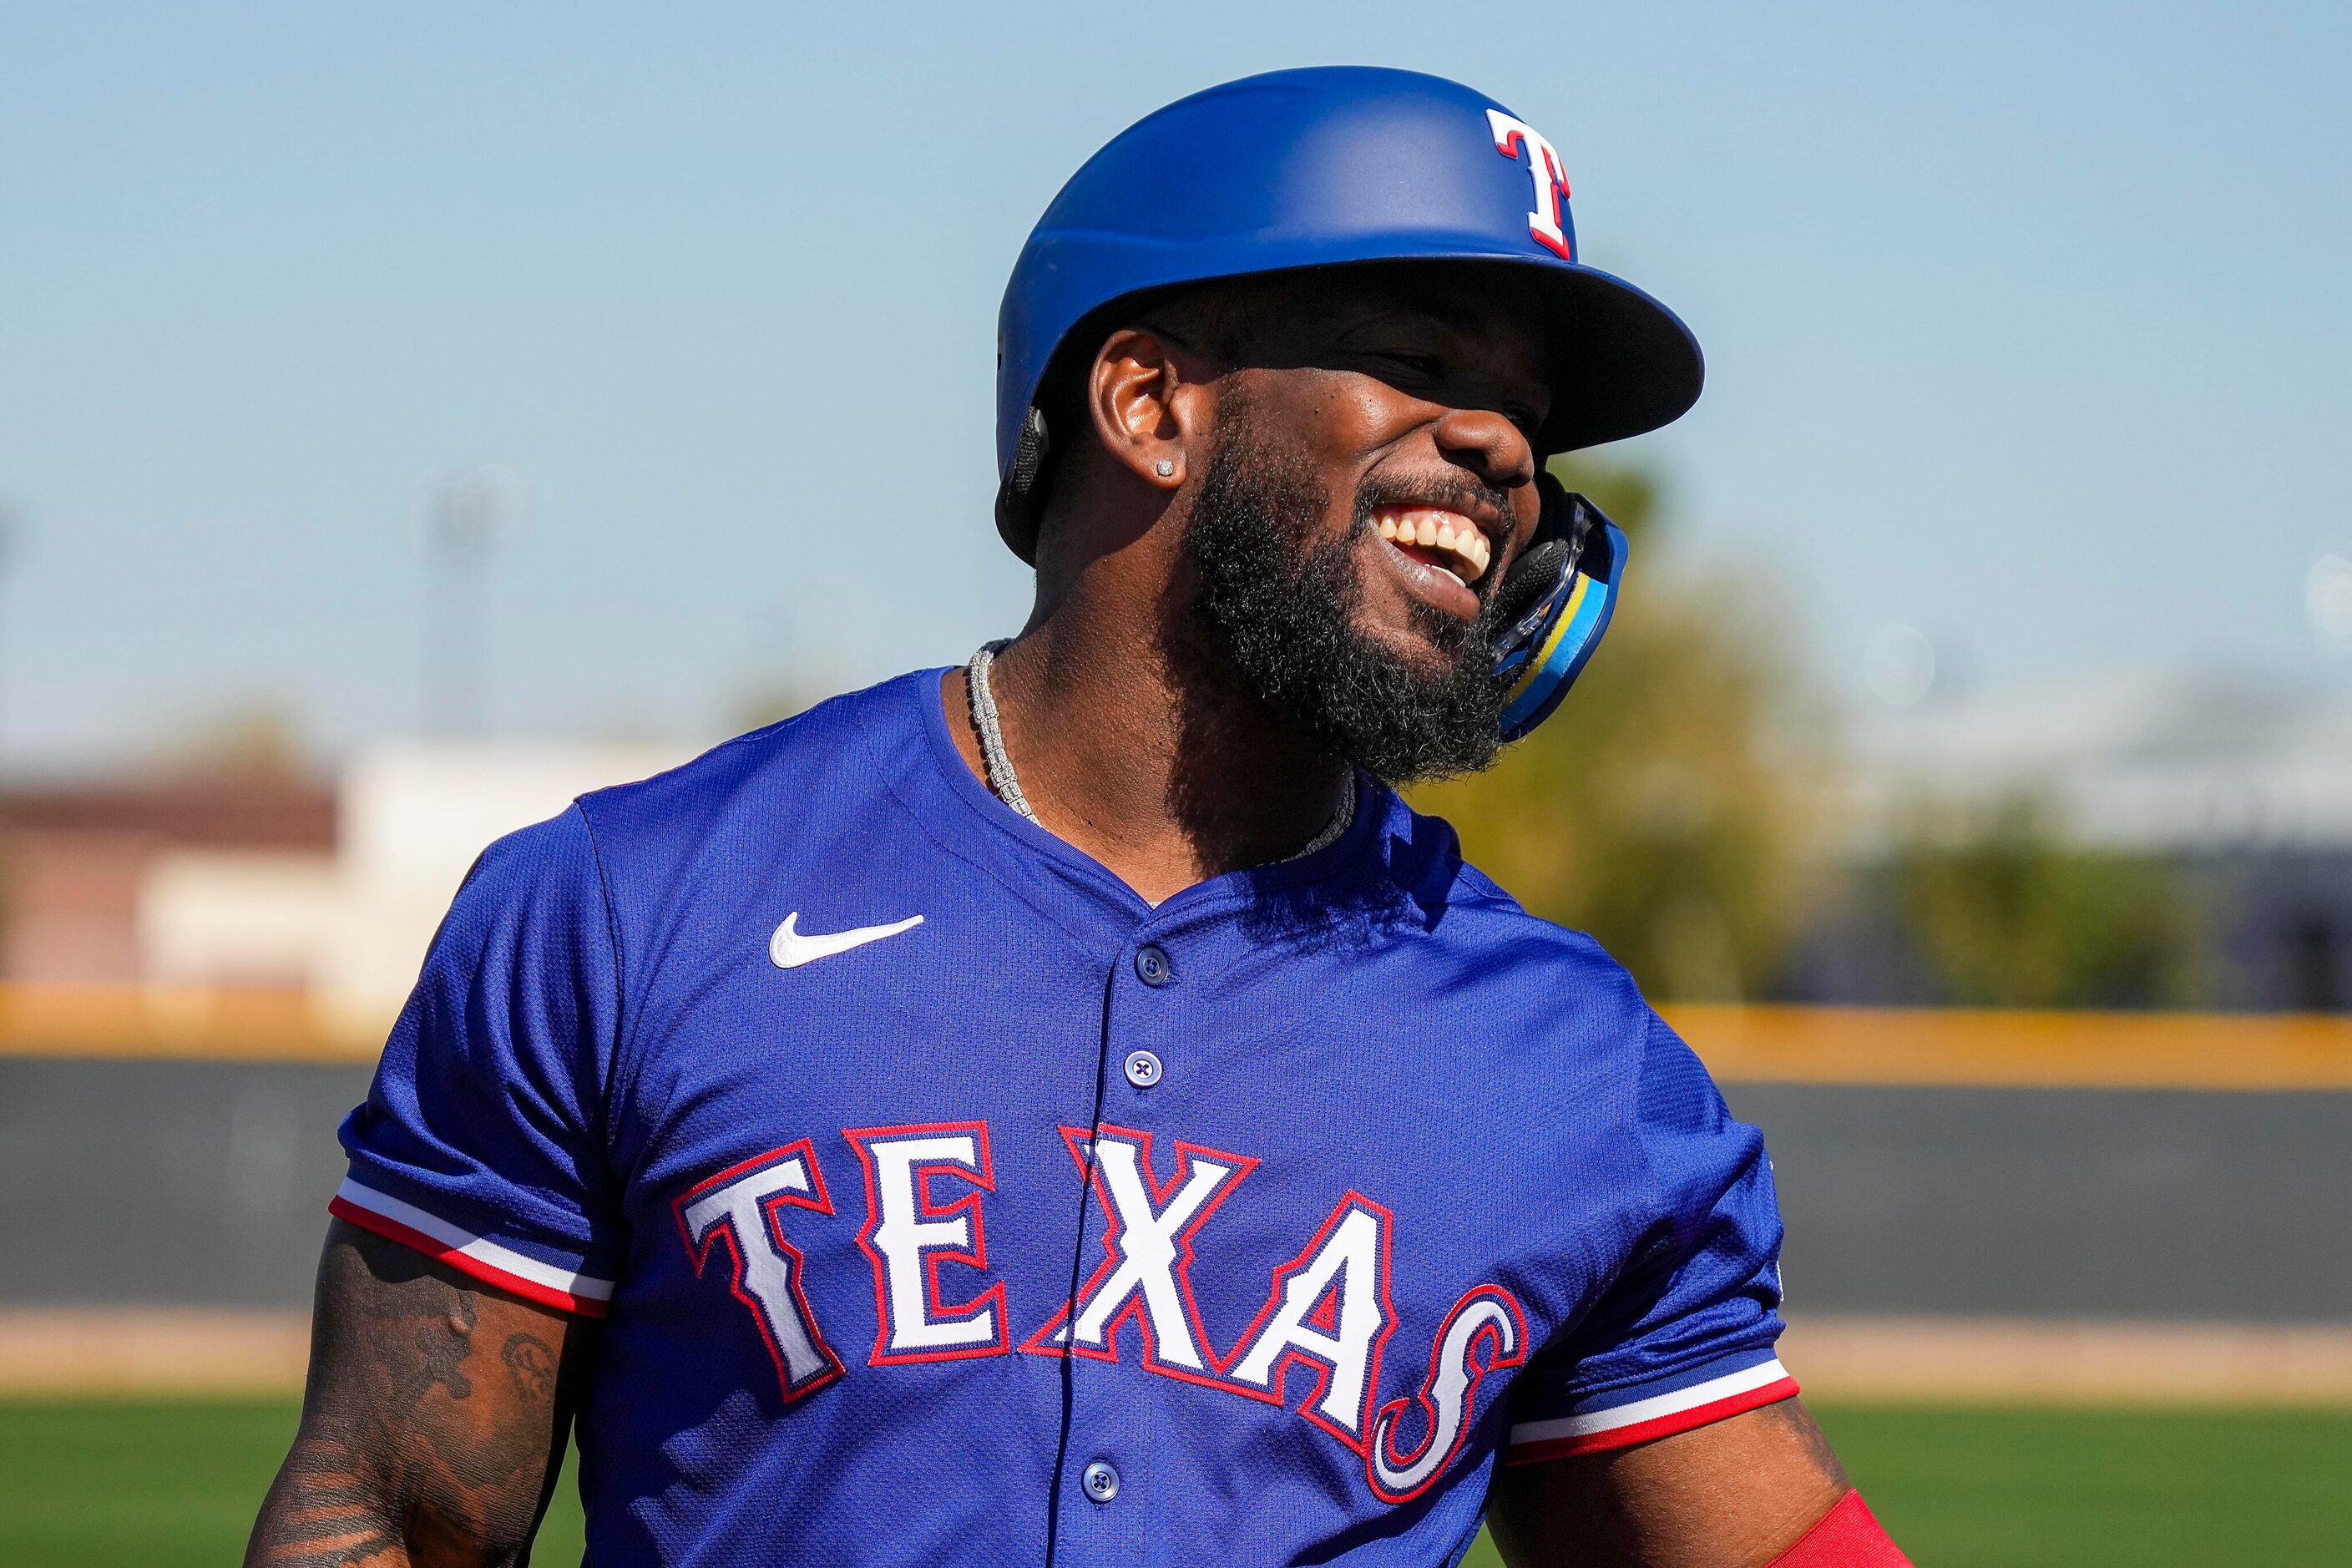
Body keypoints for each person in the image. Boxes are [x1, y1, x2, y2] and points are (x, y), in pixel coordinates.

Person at [248, 67, 1909, 1567]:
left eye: (1525, 418)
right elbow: (389, 1513)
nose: (1501, 451)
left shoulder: (1571, 1061)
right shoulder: (630, 905)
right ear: (1147, 403)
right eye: (1419, 363)